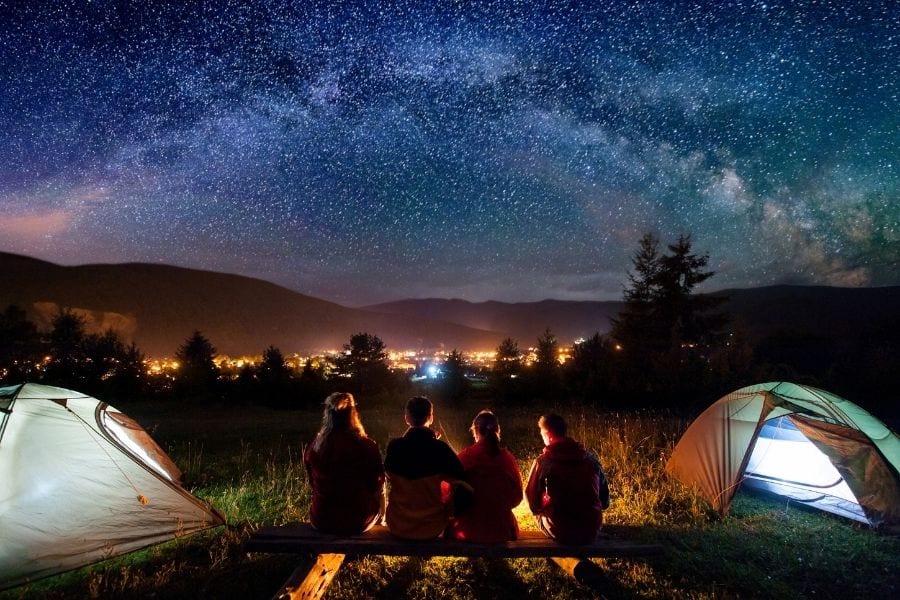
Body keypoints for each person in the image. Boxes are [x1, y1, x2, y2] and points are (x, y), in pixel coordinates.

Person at [384, 396, 466, 540]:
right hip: (432, 527)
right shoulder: (440, 449)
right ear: (431, 417)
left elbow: (408, 453)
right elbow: (461, 477)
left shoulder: (395, 447)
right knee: (454, 484)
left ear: (406, 418)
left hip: (398, 524)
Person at [303, 392, 385, 535]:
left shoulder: (316, 448)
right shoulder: (367, 445)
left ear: (327, 416)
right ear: (353, 415)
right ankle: (382, 519)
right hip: (358, 521)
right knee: (380, 487)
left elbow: (312, 483)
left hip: (322, 520)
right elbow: (376, 484)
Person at [525, 413, 610, 545]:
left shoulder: (543, 462)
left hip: (560, 530)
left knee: (541, 515)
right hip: (590, 530)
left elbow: (533, 504)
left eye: (542, 435)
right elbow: (604, 502)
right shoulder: (590, 460)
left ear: (548, 435)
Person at [448, 410, 523, 543]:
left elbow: (449, 492)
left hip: (467, 531)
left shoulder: (465, 457)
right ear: (498, 430)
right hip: (501, 530)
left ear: (475, 431)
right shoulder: (507, 459)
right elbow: (517, 497)